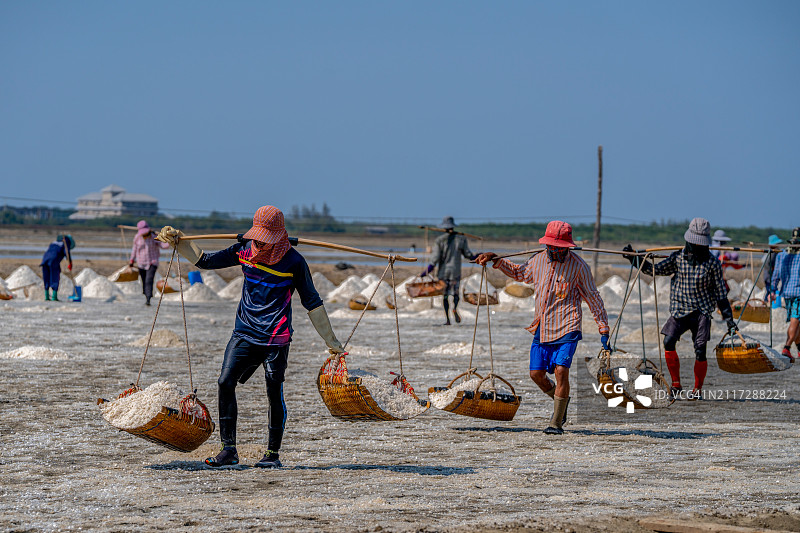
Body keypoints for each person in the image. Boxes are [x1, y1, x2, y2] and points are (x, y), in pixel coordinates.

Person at [157, 206, 345, 468]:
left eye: (264, 239)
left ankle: (272, 454)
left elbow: (312, 302)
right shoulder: (244, 250)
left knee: (273, 391)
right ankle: (228, 450)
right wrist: (180, 241)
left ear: (279, 236)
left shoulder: (294, 262)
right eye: (256, 237)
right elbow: (206, 261)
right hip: (244, 332)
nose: (258, 243)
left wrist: (332, 342)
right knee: (224, 382)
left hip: (275, 339)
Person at [476, 220, 609, 435]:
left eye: (559, 248)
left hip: (568, 325)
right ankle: (561, 403)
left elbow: (593, 298)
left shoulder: (579, 267)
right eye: (551, 246)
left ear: (567, 247)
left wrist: (603, 328)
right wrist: (496, 259)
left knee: (561, 371)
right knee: (536, 374)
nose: (554, 251)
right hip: (543, 325)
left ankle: (556, 423)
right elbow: (520, 273)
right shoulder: (537, 260)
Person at [623, 218, 738, 400]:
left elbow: (721, 294)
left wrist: (729, 319)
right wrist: (633, 259)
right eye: (693, 244)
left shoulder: (712, 263)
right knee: (668, 342)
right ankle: (676, 383)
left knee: (700, 349)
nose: (696, 248)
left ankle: (697, 389)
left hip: (702, 312)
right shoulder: (677, 258)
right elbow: (654, 270)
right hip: (679, 310)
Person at [420, 216, 476, 325]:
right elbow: (468, 255)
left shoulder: (440, 240)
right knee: (455, 294)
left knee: (445, 295)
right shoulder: (461, 239)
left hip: (443, 273)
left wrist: (426, 271)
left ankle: (447, 319)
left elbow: (434, 259)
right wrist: (477, 256)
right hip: (455, 272)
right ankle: (455, 308)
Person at [769, 227, 800, 361]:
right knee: (795, 320)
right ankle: (786, 348)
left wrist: (772, 290)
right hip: (798, 292)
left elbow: (775, 275)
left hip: (786, 292)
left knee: (797, 321)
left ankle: (799, 349)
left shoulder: (781, 255)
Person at [129, 220, 170, 306]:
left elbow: (164, 246)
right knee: (144, 280)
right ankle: (146, 294)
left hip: (152, 262)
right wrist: (132, 260)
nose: (144, 235)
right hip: (141, 262)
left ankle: (148, 299)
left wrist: (167, 238)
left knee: (149, 280)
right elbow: (134, 250)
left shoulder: (154, 237)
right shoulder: (137, 237)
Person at [40, 235, 74, 301]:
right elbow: (66, 253)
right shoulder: (65, 244)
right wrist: (70, 263)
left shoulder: (53, 243)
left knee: (46, 277)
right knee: (55, 276)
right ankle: (54, 297)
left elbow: (50, 251)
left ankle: (46, 297)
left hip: (45, 259)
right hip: (53, 260)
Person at [763, 234, 784, 306]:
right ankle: (766, 304)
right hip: (769, 277)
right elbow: (771, 266)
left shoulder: (771, 253)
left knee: (769, 291)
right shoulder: (772, 254)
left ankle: (766, 303)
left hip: (767, 276)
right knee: (770, 291)